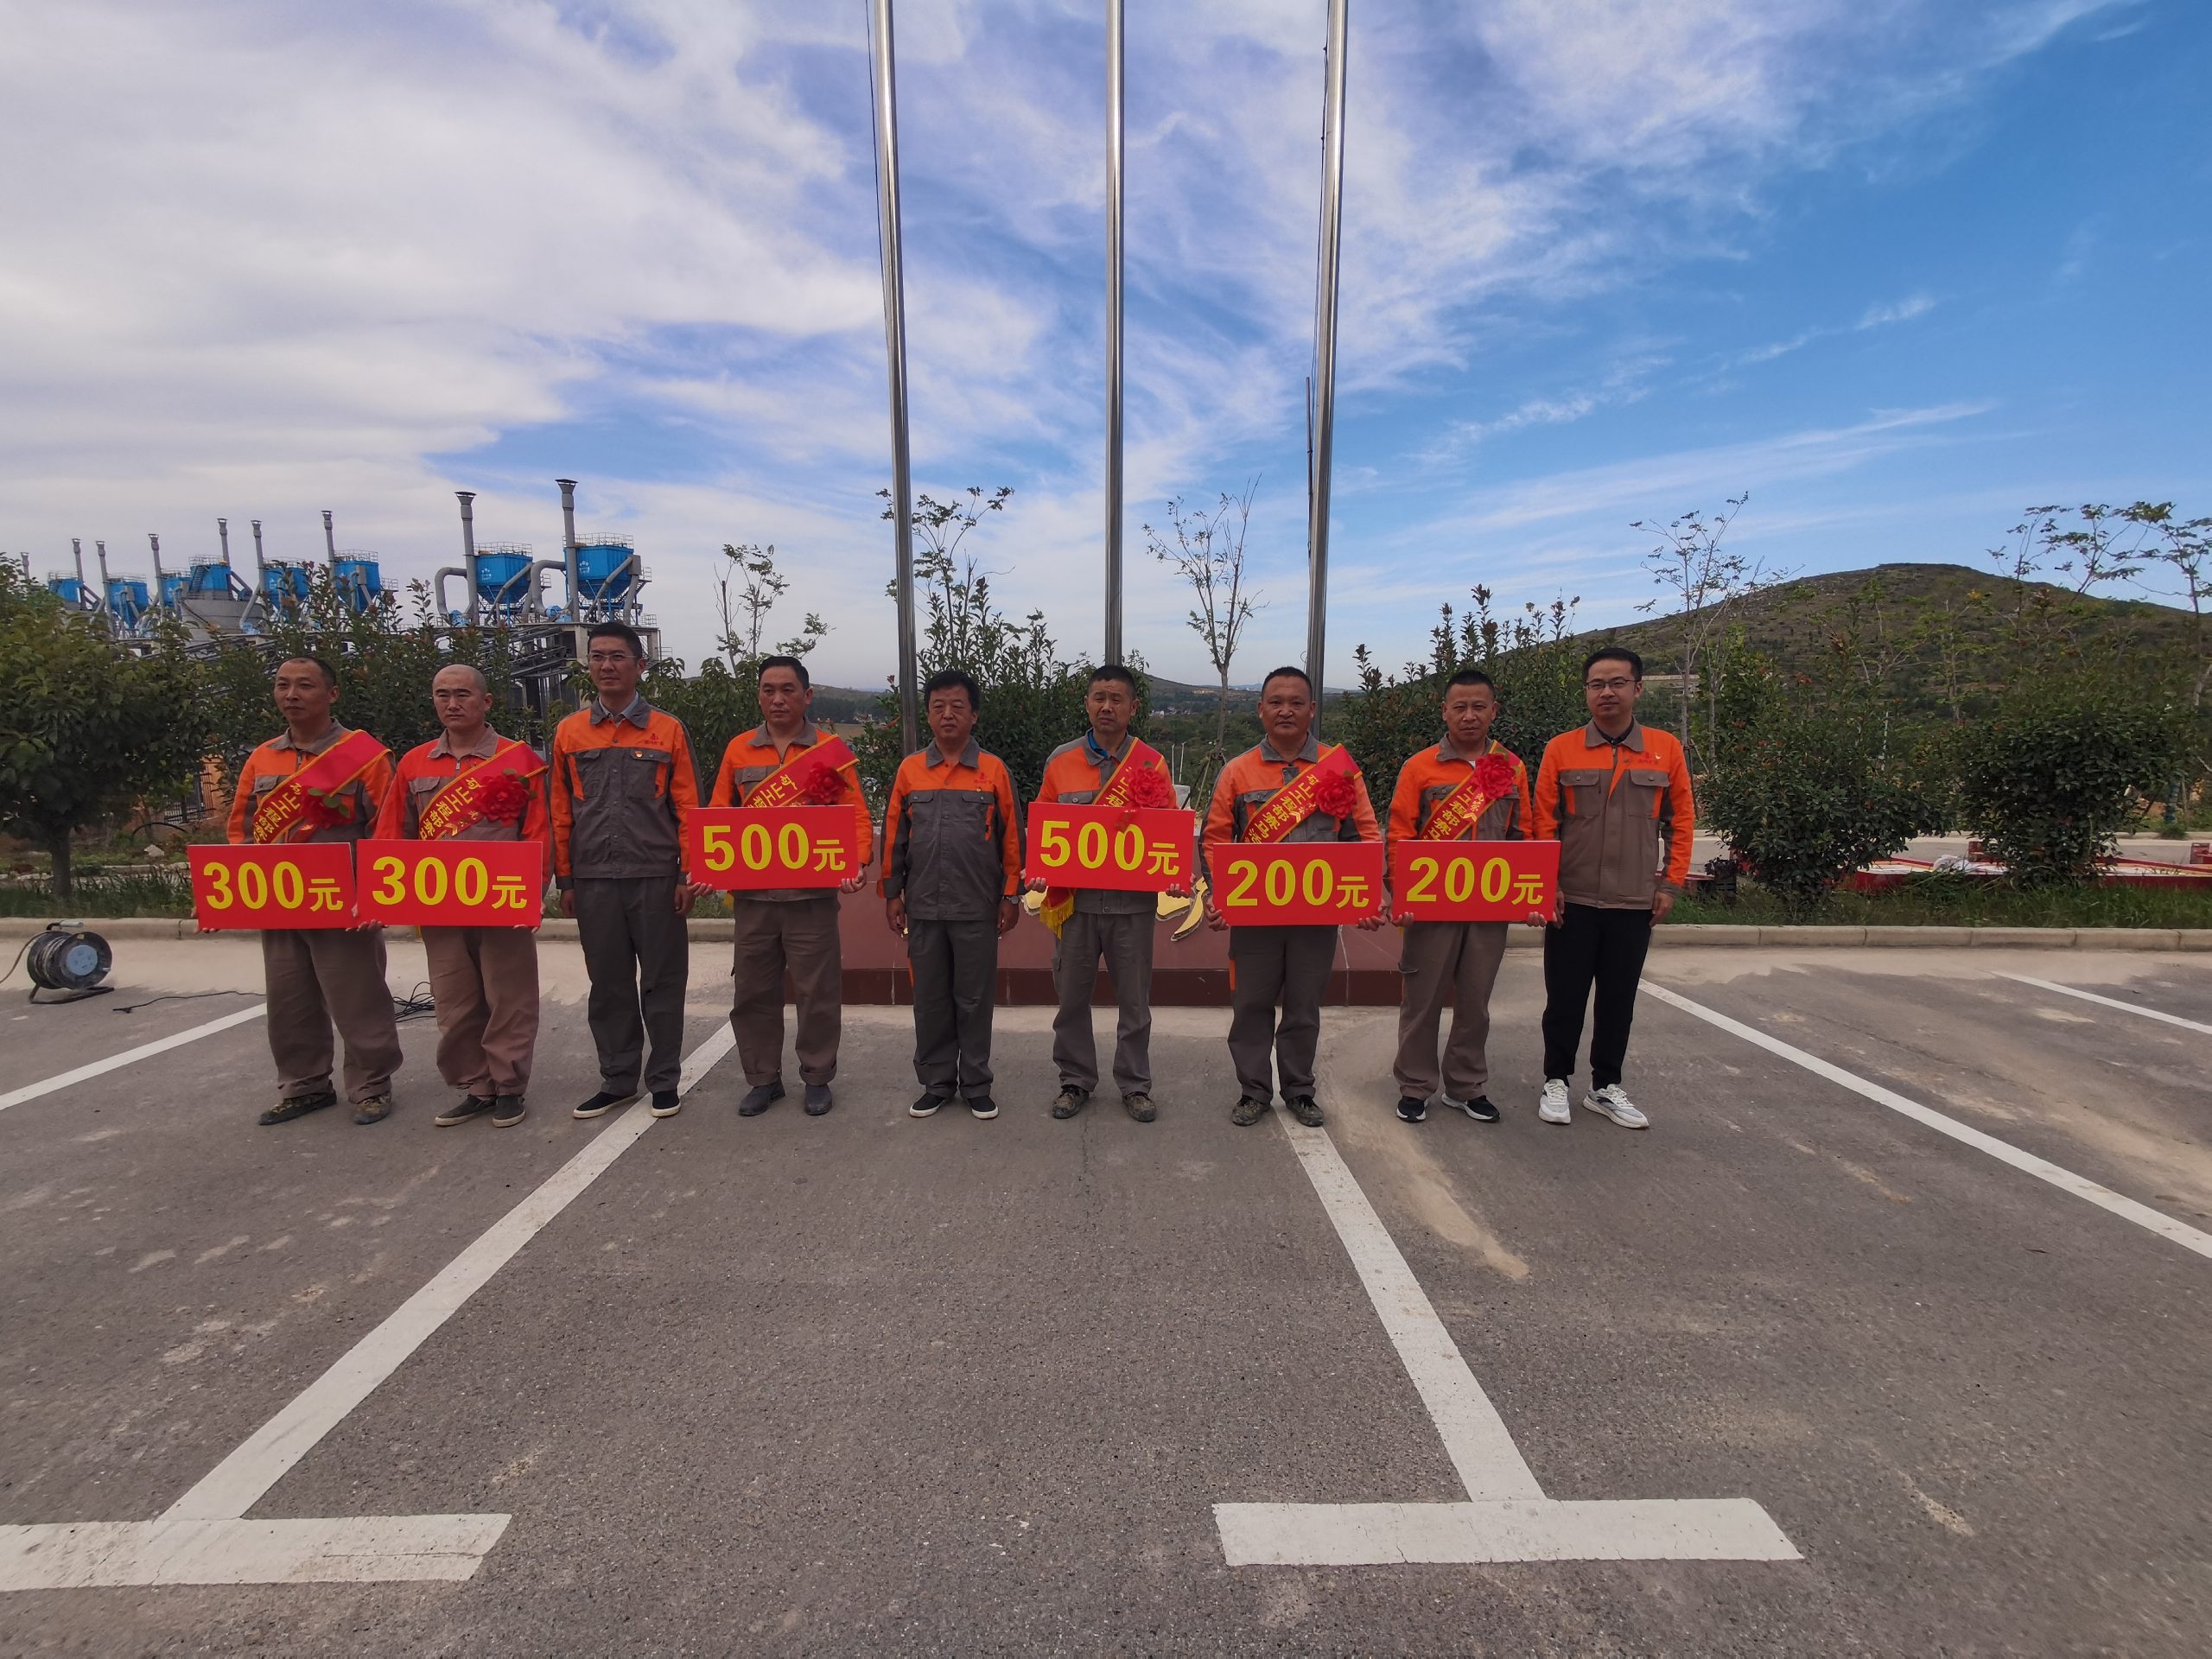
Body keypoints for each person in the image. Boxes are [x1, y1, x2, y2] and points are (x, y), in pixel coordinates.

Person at [225, 655, 403, 1127]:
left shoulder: (366, 757)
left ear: (332, 694)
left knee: (358, 997)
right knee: (289, 1000)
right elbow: (241, 829)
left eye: (304, 685)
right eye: (283, 685)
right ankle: (304, 1086)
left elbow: (386, 830)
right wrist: (237, 891)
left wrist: (377, 895)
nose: (292, 695)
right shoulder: (263, 757)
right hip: (279, 899)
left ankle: (371, 1085)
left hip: (344, 902)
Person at [1204, 665, 1383, 1128]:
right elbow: (1216, 840)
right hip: (1254, 918)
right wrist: (1219, 895)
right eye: (1276, 702)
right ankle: (1253, 1091)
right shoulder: (1237, 771)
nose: (1286, 710)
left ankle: (1300, 1090)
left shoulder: (1339, 769)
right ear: (1261, 708)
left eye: (1296, 702)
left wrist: (1368, 895)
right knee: (1250, 1006)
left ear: (1312, 710)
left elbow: (1364, 836)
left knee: (1304, 1008)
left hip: (1316, 917)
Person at [373, 664, 550, 1130]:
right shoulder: (414, 764)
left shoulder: (519, 759)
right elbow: (393, 833)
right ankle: (476, 1086)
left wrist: (535, 891)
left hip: (503, 901)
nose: (452, 704)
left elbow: (538, 831)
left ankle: (509, 1086)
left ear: (486, 702)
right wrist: (380, 895)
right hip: (438, 904)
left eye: (463, 695)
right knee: (454, 999)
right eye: (442, 695)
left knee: (509, 997)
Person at [1530, 647, 1694, 1130]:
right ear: (1586, 692)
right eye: (1597, 684)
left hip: (1634, 900)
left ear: (1637, 689)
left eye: (1617, 682)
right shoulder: (1562, 749)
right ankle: (1555, 1079)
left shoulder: (1665, 748)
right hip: (1573, 898)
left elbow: (1681, 821)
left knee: (1618, 1000)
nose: (1607, 692)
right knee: (1564, 998)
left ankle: (1605, 1086)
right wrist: (1547, 884)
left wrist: (1671, 884)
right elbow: (1543, 822)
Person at [549, 622, 704, 1122]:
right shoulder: (570, 732)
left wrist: (687, 874)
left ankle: (664, 1081)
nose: (606, 666)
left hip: (655, 876)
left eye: (617, 656)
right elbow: (560, 810)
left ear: (640, 665)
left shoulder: (668, 730)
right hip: (594, 879)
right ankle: (617, 1080)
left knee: (662, 983)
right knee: (609, 984)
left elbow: (688, 807)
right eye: (597, 657)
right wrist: (565, 879)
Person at [707, 654, 873, 1118]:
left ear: (807, 695)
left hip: (811, 898)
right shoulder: (739, 749)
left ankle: (817, 1077)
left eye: (787, 689)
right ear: (759, 696)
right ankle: (763, 1079)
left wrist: (857, 861)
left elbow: (857, 813)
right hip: (753, 899)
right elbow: (718, 813)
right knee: (753, 993)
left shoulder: (829, 751)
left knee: (817, 993)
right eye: (768, 690)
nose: (777, 699)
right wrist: (705, 864)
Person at [1385, 670, 1537, 1126]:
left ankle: (1466, 1085)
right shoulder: (1419, 767)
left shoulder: (1511, 768)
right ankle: (1415, 1086)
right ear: (1445, 712)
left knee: (1475, 1001)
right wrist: (1400, 894)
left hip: (1489, 905)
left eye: (1478, 707)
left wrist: (1532, 893)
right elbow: (1400, 835)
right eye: (1460, 707)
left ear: (1494, 711)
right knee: (1422, 1001)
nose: (1469, 716)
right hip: (1431, 906)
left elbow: (1523, 836)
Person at [1027, 664, 1178, 1123]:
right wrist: (1038, 870)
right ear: (1087, 704)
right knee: (1071, 998)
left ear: (1133, 707)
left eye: (1116, 699)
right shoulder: (1061, 761)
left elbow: (1168, 832)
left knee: (1134, 1001)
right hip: (1075, 905)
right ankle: (1074, 1080)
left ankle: (1135, 1084)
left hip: (1132, 906)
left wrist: (1172, 875)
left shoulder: (1151, 763)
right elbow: (1045, 827)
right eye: (1099, 697)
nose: (1107, 706)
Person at [880, 669, 1023, 1121]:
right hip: (923, 907)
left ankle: (976, 1083)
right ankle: (937, 1083)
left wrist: (1011, 895)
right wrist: (892, 893)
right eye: (938, 706)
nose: (947, 714)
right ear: (928, 714)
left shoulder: (993, 771)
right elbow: (894, 837)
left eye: (957, 706)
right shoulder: (910, 771)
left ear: (974, 715)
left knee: (975, 1000)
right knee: (930, 1000)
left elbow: (1013, 839)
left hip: (977, 907)